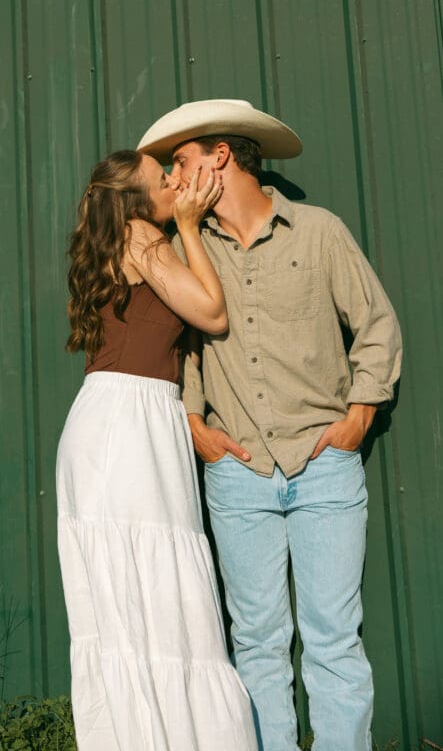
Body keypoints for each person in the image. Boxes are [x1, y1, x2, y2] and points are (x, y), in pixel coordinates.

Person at [137, 98, 403, 751]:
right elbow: (177, 350)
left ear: (220, 158)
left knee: (333, 639)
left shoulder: (318, 232)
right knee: (256, 642)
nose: (173, 177)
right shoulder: (186, 248)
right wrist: (194, 427)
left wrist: (359, 416)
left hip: (324, 464)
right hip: (237, 474)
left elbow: (376, 326)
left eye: (181, 162)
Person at [56, 149, 257, 751]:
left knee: (140, 598)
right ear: (135, 202)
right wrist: (190, 227)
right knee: (152, 592)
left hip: (128, 419)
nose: (174, 182)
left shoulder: (128, 238)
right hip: (125, 428)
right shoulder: (141, 236)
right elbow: (212, 313)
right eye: (161, 178)